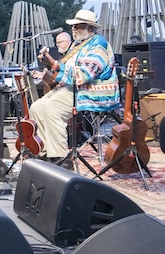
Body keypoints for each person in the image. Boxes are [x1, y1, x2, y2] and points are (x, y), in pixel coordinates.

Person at [29, 10, 118, 164]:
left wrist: (54, 64)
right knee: (36, 108)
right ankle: (45, 153)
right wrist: (51, 65)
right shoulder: (78, 45)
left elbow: (84, 75)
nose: (74, 29)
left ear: (90, 28)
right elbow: (67, 69)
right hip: (74, 87)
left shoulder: (99, 45)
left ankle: (61, 158)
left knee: (52, 109)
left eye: (78, 26)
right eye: (73, 26)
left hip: (92, 90)